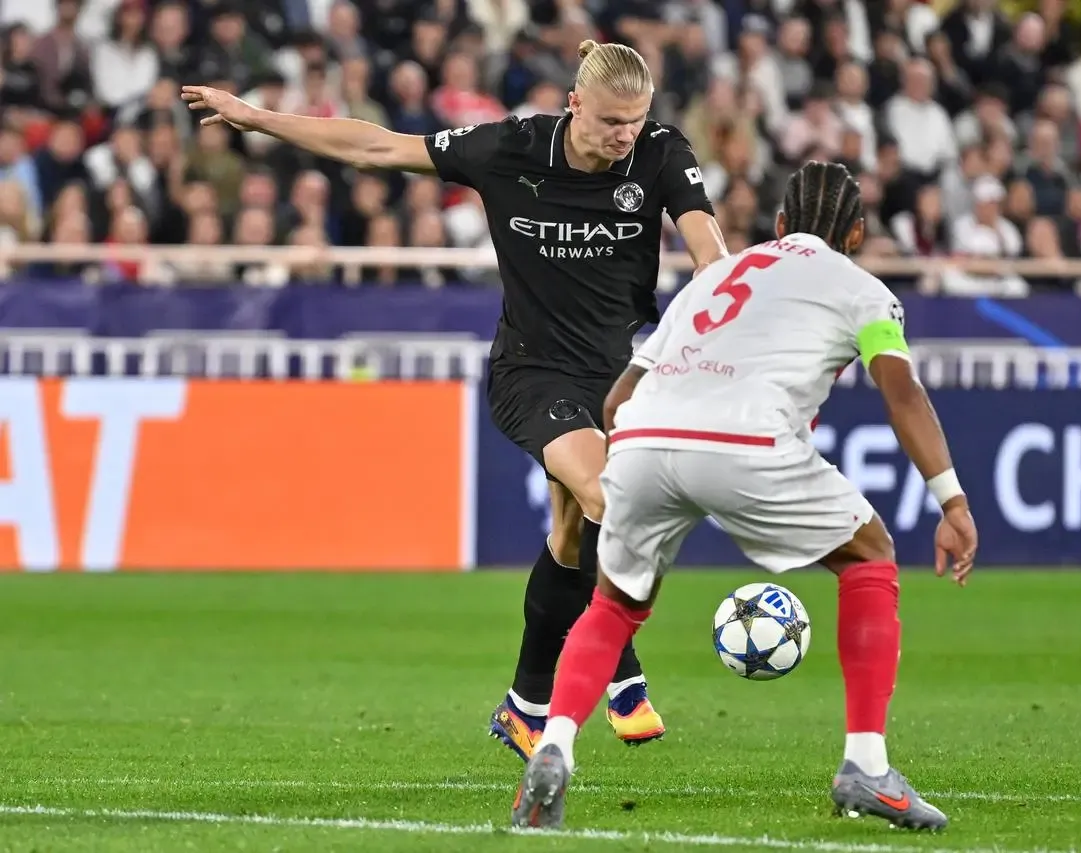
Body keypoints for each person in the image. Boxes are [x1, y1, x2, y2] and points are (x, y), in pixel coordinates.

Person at [182, 40, 728, 761]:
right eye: (609, 122)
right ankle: (619, 670)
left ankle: (525, 706)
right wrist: (257, 117)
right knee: (605, 493)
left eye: (635, 121)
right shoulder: (512, 147)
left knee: (570, 536)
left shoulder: (659, 152)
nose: (623, 136)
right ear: (573, 104)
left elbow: (712, 258)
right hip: (531, 371)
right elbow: (377, 147)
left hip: (617, 377)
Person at [510, 161, 978, 832]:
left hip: (641, 436)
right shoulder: (863, 290)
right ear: (855, 233)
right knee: (870, 554)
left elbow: (618, 399)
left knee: (614, 602)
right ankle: (867, 765)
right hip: (746, 440)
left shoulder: (715, 277)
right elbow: (901, 391)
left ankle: (553, 746)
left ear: (780, 224)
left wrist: (646, 475)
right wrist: (952, 501)